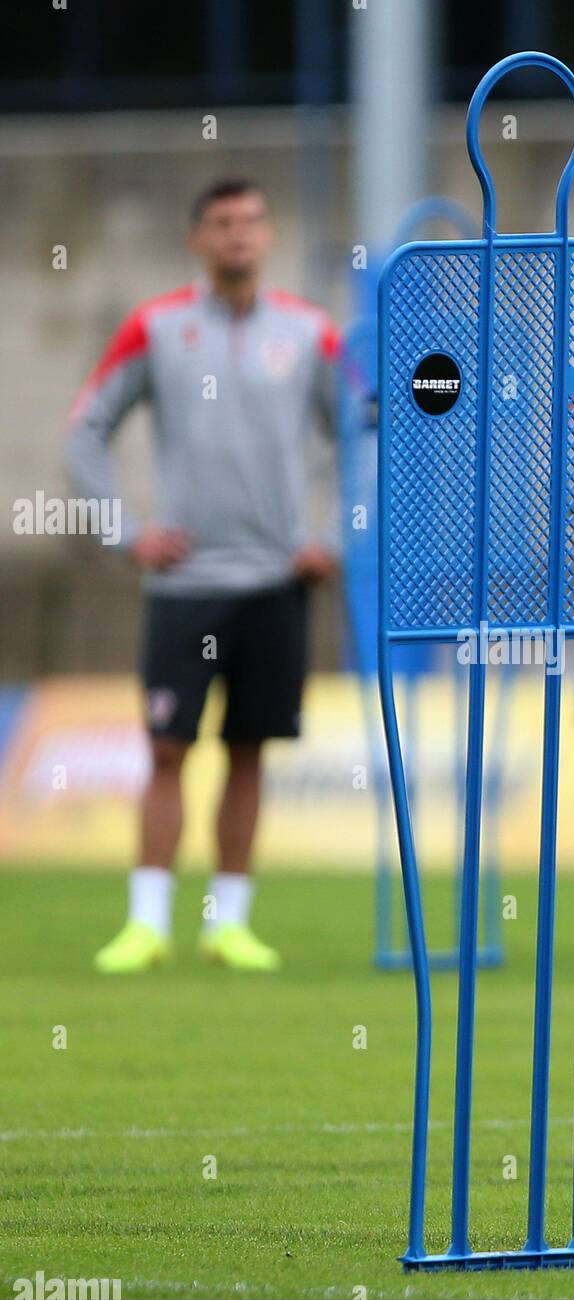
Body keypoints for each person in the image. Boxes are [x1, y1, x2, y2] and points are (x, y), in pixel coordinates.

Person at [67, 178, 340, 973]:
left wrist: (332, 536)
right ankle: (147, 923)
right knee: (165, 748)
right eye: (222, 223)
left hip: (276, 584)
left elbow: (370, 436)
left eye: (252, 221)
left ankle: (228, 924)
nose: (239, 235)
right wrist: (123, 532)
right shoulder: (157, 328)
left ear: (268, 233)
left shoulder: (310, 332)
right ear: (197, 238)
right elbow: (86, 428)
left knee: (248, 751)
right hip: (185, 585)